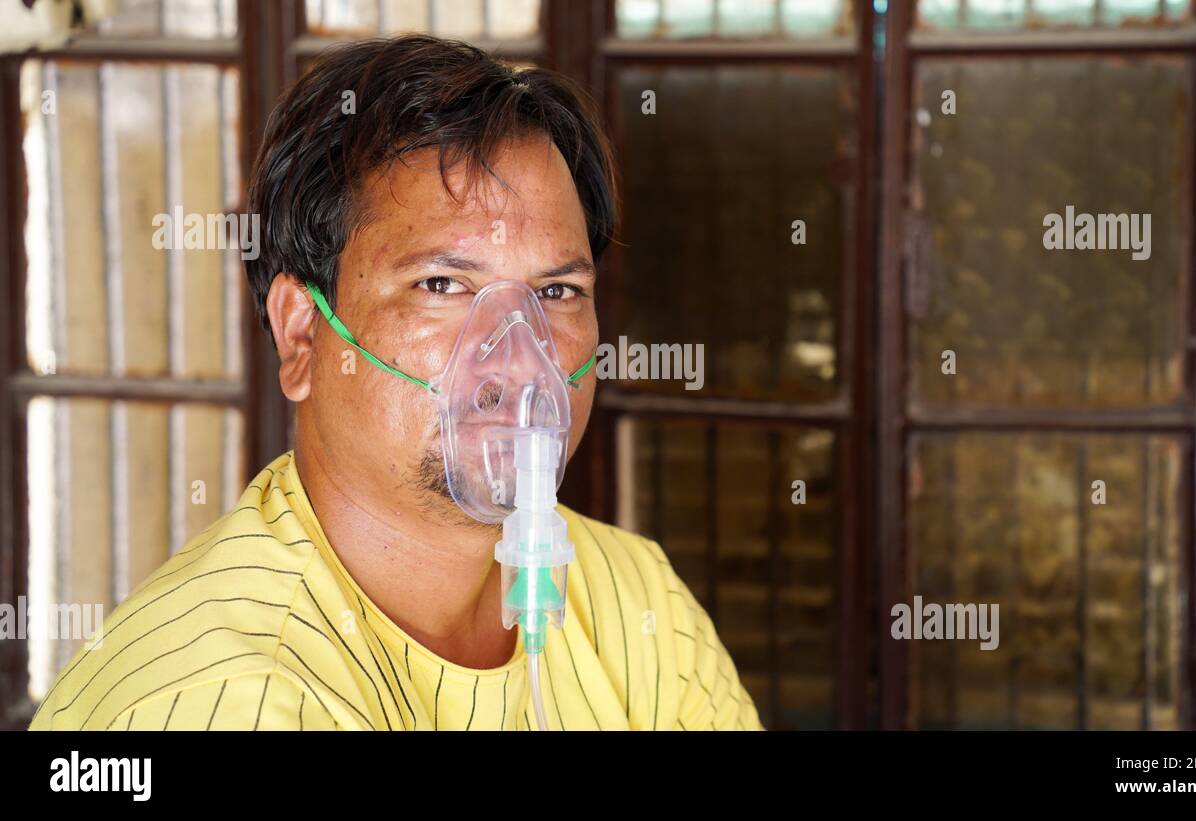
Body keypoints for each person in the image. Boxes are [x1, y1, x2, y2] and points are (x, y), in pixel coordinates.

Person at [30, 35, 761, 731]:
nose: (516, 356)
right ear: (301, 333)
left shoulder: (638, 603)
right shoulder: (219, 698)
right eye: (441, 283)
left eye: (557, 292)